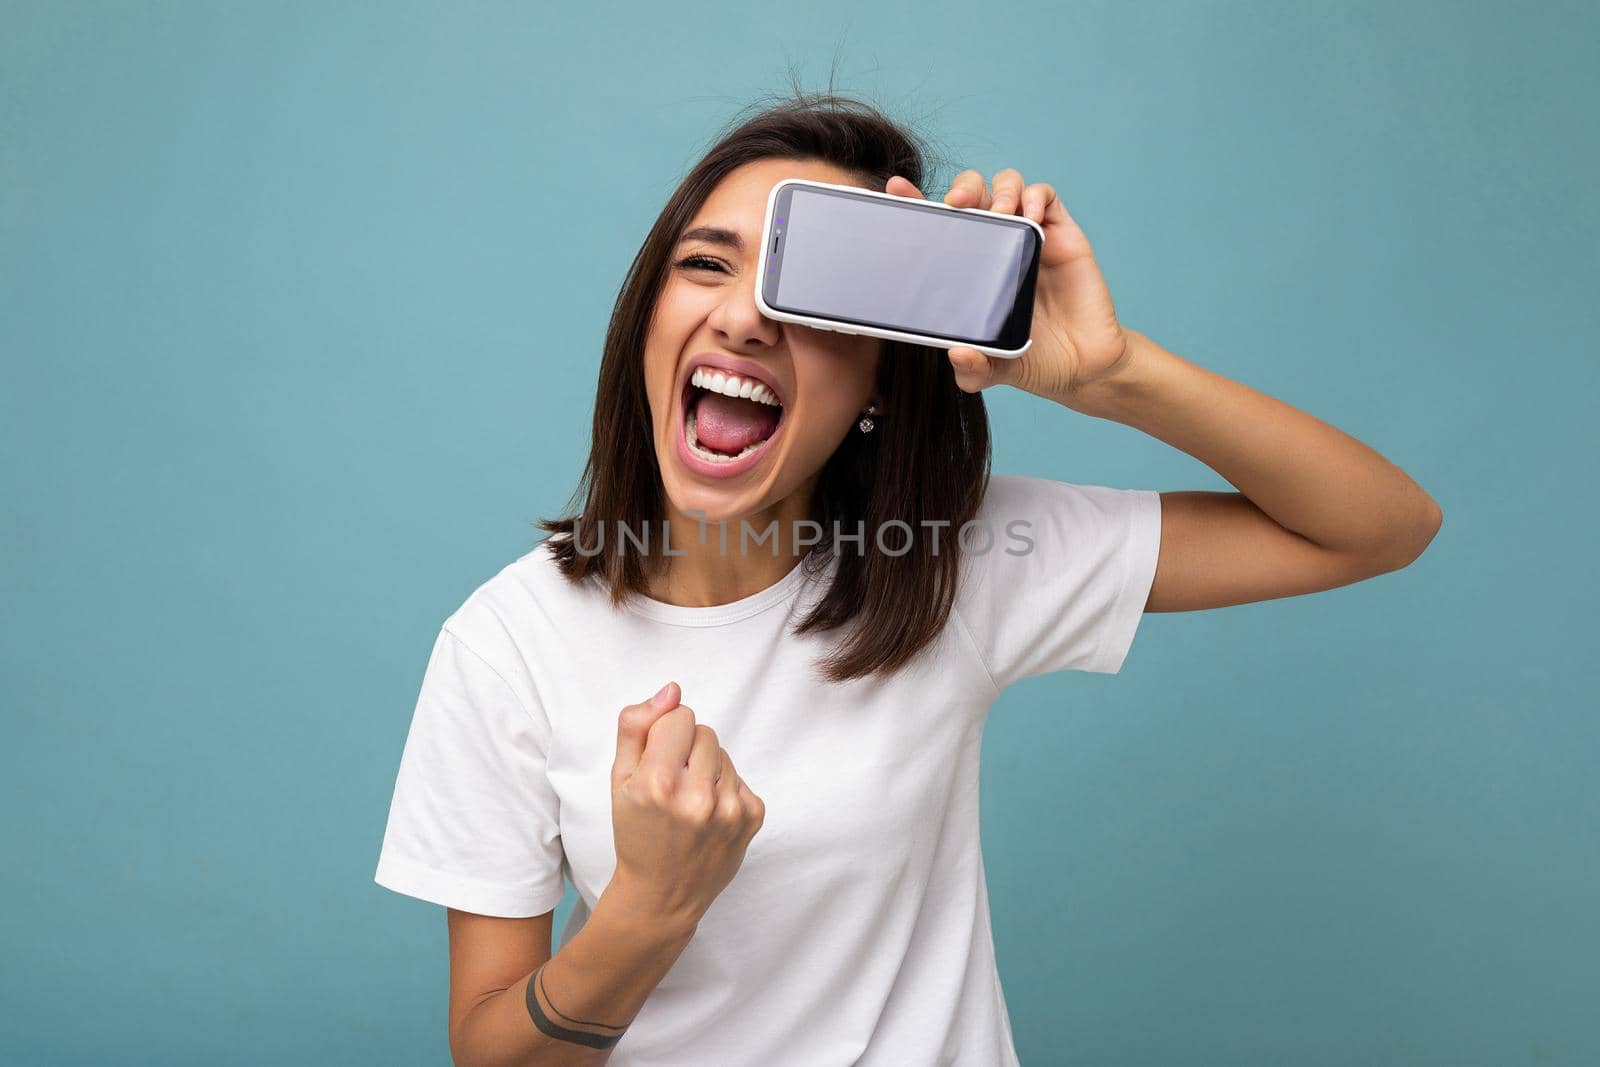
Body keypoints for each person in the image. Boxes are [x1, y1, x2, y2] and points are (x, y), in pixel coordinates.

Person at [373, 90, 1441, 1066]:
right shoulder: (505, 642)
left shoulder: (950, 558)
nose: (744, 316)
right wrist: (649, 909)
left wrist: (1115, 372)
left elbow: (1377, 527)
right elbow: (492, 1054)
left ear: (882, 378)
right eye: (706, 263)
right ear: (644, 316)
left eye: (813, 292)